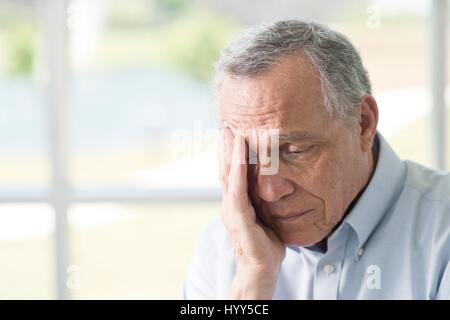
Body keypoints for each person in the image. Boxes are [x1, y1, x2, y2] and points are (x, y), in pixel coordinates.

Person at [182, 20, 450, 299]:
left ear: (362, 123)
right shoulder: (221, 251)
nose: (269, 191)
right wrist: (254, 279)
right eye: (248, 156)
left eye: (294, 150)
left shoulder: (441, 236)